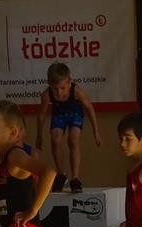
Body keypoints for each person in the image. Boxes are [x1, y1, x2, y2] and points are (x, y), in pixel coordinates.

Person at [35, 62, 101, 194]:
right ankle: (61, 174)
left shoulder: (76, 91)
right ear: (49, 84)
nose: (59, 93)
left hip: (75, 114)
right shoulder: (47, 95)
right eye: (55, 89)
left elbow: (89, 108)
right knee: (55, 139)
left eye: (63, 88)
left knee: (73, 139)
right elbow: (41, 115)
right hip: (59, 114)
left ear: (69, 82)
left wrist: (96, 131)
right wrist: (39, 136)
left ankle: (75, 177)